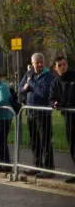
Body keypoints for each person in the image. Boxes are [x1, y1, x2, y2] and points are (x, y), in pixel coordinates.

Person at [19, 52, 56, 178]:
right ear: (32, 63)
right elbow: (20, 88)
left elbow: (43, 93)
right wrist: (25, 88)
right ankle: (37, 166)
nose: (39, 64)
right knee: (34, 142)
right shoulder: (29, 74)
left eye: (41, 62)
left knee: (45, 142)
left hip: (43, 114)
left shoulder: (48, 76)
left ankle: (49, 169)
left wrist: (31, 84)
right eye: (37, 62)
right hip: (31, 112)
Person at [49, 55, 75, 184]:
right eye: (60, 65)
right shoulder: (55, 82)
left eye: (64, 64)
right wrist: (55, 103)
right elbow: (52, 98)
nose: (63, 67)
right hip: (69, 118)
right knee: (73, 146)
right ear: (55, 67)